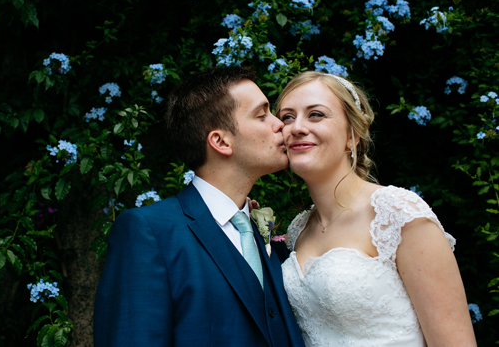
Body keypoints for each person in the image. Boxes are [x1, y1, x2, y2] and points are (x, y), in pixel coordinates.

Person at [93, 66, 305, 346]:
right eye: (261, 114)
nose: (280, 124)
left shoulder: (262, 233)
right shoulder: (150, 232)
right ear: (220, 141)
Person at [273, 71, 476, 346]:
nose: (296, 127)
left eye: (316, 114)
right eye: (287, 117)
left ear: (353, 135)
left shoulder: (399, 214)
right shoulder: (299, 229)